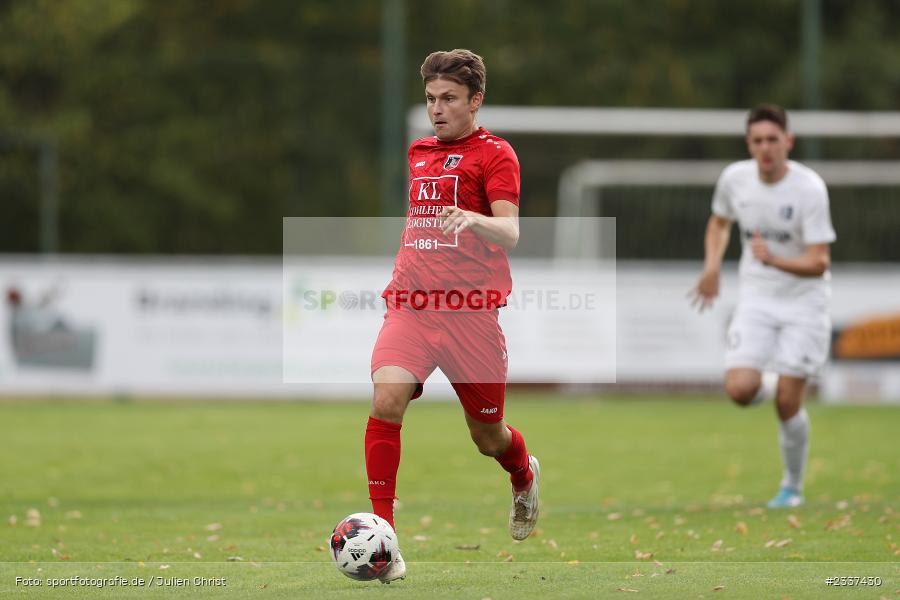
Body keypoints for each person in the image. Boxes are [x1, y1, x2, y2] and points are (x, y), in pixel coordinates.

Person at [365, 49, 540, 584]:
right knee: (386, 398)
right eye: (431, 99)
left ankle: (522, 472)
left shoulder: (496, 156)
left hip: (470, 317)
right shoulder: (418, 151)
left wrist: (473, 218)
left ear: (475, 101)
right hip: (413, 306)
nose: (436, 110)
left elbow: (510, 232)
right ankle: (384, 541)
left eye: (448, 99)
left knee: (488, 437)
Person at [690, 104, 836, 509]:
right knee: (740, 389)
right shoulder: (735, 179)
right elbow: (719, 222)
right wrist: (712, 268)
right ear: (749, 144)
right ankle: (774, 382)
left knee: (789, 404)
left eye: (773, 140)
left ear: (788, 141)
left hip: (806, 304)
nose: (766, 148)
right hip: (758, 299)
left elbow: (819, 260)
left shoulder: (809, 188)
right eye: (758, 141)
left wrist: (774, 259)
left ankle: (792, 487)